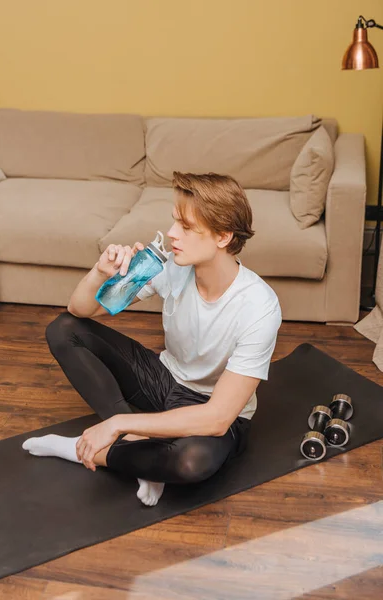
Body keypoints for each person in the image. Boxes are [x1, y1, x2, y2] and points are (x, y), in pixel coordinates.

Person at [22, 172, 282, 507]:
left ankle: (85, 448)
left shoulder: (259, 305)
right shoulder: (171, 266)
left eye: (186, 228)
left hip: (213, 410)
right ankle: (135, 444)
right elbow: (80, 310)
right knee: (62, 329)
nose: (173, 234)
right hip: (163, 379)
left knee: (191, 462)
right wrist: (102, 273)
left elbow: (217, 418)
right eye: (175, 222)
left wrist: (117, 423)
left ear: (223, 236)